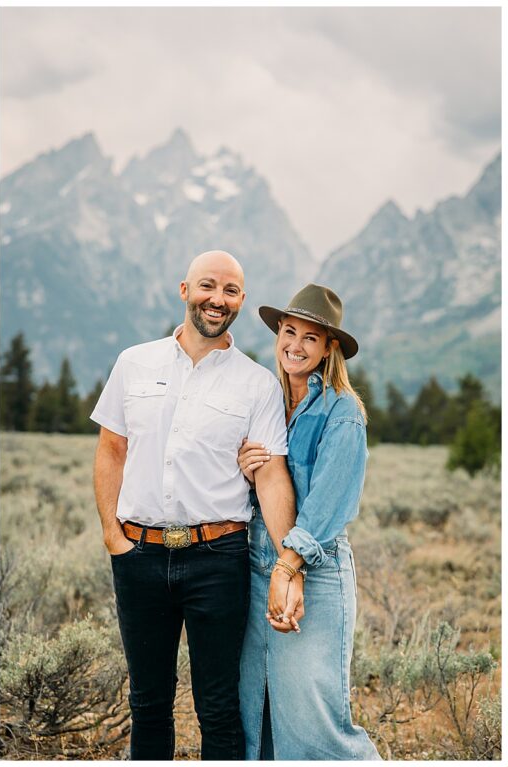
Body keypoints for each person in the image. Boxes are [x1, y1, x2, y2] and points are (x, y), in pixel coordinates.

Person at [91, 250, 298, 760]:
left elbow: (271, 476)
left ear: (241, 302)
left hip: (218, 559)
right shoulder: (133, 363)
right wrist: (113, 537)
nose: (217, 299)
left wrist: (289, 561)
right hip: (138, 555)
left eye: (230, 292)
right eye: (208, 286)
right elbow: (110, 449)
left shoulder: (257, 384)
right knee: (148, 704)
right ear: (184, 290)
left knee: (220, 707)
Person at [236, 284, 380, 760]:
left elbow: (328, 503)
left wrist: (288, 567)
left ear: (329, 348)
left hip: (312, 571)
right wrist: (244, 466)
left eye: (310, 338)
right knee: (259, 708)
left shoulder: (342, 411)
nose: (294, 345)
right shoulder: (266, 398)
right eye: (288, 332)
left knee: (312, 719)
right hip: (256, 565)